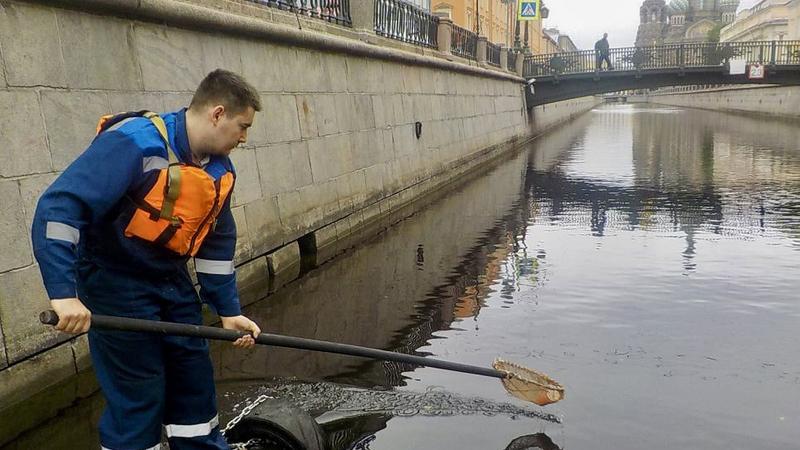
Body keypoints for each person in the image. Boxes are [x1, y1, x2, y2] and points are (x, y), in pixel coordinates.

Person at [32, 69, 263, 450]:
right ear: (218, 114)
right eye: (242, 126)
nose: (244, 137)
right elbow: (59, 209)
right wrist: (64, 293)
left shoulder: (219, 169)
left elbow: (217, 244)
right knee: (139, 394)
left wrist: (228, 309)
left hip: (171, 281)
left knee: (193, 383)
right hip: (114, 280)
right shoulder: (133, 143)